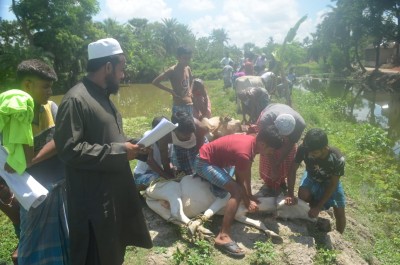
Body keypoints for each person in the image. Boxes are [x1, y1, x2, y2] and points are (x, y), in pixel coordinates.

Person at [54, 38, 152, 265]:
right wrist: (120, 151)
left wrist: (134, 145)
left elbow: (106, 138)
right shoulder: (76, 99)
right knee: (96, 253)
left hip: (112, 192)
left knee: (113, 248)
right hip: (91, 199)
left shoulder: (102, 95)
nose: (123, 75)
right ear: (108, 67)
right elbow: (69, 150)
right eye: (121, 68)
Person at [194, 126, 283, 257]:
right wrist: (247, 201)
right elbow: (240, 181)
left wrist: (250, 194)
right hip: (203, 163)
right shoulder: (244, 153)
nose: (272, 153)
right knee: (236, 192)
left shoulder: (251, 144)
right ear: (263, 144)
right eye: (271, 150)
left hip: (215, 161)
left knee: (238, 188)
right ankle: (223, 236)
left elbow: (245, 171)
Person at [285, 128, 346, 233]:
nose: (310, 154)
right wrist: (290, 193)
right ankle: (312, 207)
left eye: (315, 152)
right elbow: (292, 169)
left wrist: (319, 207)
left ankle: (340, 235)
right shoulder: (304, 149)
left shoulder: (337, 159)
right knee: (303, 194)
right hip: (312, 176)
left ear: (325, 148)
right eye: (309, 152)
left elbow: (333, 184)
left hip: (329, 181)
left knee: (339, 212)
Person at [256, 103, 306, 196]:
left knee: (289, 156)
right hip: (269, 117)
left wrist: (278, 163)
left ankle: (282, 182)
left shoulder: (300, 124)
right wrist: (274, 168)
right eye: (282, 136)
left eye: (286, 137)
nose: (284, 139)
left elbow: (290, 145)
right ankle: (269, 184)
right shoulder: (266, 120)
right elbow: (267, 148)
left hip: (288, 126)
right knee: (268, 153)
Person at [158, 111, 208, 176]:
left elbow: (200, 150)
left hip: (198, 145)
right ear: (175, 130)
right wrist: (168, 173)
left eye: (190, 134)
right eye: (185, 135)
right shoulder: (165, 135)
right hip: (180, 148)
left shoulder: (200, 128)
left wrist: (197, 159)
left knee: (203, 169)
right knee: (186, 174)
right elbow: (164, 156)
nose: (189, 137)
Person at [133, 116, 175, 191]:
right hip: (142, 174)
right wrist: (167, 176)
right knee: (160, 179)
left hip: (156, 172)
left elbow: (167, 161)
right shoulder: (149, 137)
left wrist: (172, 171)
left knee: (173, 173)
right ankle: (136, 190)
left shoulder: (169, 141)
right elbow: (150, 161)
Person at [152, 46, 194, 117]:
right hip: (178, 106)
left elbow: (192, 80)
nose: (187, 61)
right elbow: (155, 82)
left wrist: (190, 90)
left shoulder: (187, 68)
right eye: (184, 58)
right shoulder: (172, 70)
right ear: (178, 57)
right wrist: (171, 91)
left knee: (189, 126)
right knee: (178, 127)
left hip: (189, 104)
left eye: (189, 59)